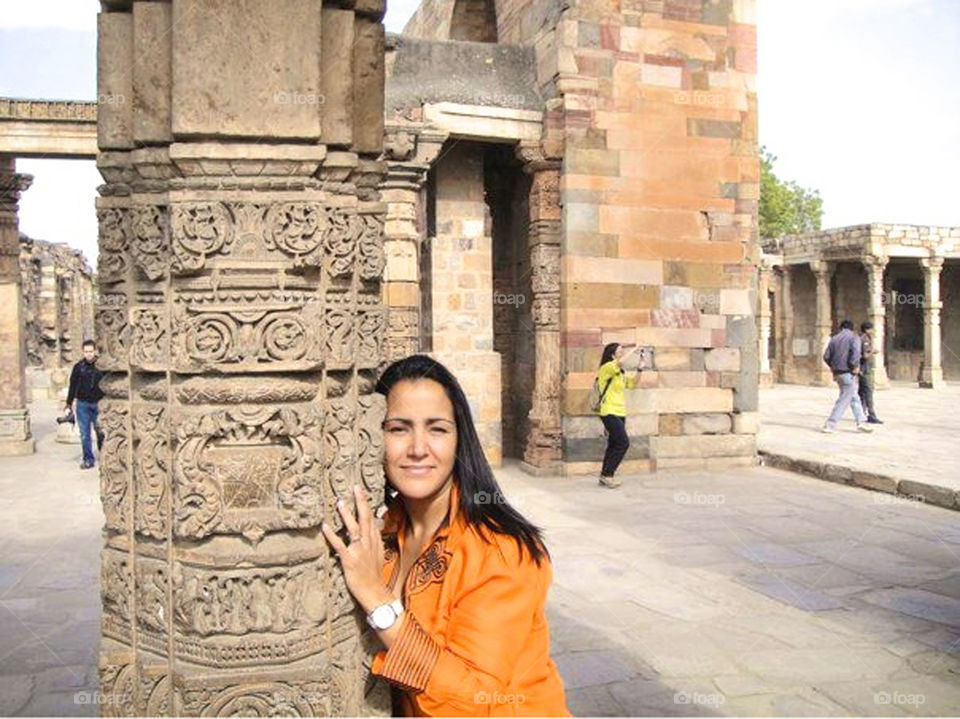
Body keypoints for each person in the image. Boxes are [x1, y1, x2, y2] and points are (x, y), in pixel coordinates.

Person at [321, 355, 569, 717]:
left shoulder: (500, 552)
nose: (418, 448)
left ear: (459, 439)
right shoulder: (385, 534)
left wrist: (377, 599)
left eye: (437, 429)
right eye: (398, 428)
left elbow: (471, 702)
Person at [595, 342, 644, 488]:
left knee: (614, 444)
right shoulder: (607, 368)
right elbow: (620, 362)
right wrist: (634, 349)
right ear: (612, 354)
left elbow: (632, 384)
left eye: (623, 351)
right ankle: (608, 474)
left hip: (620, 412)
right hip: (608, 411)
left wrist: (640, 368)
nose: (622, 353)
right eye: (620, 351)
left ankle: (605, 475)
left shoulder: (620, 373)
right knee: (623, 443)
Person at [821, 320, 873, 434]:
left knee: (854, 397)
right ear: (851, 328)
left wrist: (833, 366)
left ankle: (861, 422)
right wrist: (855, 366)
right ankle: (830, 424)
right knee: (844, 399)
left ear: (841, 328)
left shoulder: (834, 339)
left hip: (838, 373)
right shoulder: (854, 337)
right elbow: (855, 353)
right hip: (848, 372)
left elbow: (826, 356)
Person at [65, 339, 105, 469]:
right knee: (84, 434)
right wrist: (68, 404)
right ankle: (88, 459)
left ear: (95, 351)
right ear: (83, 352)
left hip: (98, 403)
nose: (88, 354)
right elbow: (72, 386)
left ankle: (104, 457)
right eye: (86, 351)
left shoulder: (102, 366)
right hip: (83, 404)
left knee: (100, 432)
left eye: (91, 351)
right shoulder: (78, 367)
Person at [858, 321, 883, 424]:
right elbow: (865, 355)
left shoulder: (862, 338)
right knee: (868, 391)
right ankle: (871, 414)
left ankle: (861, 413)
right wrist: (873, 351)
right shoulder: (865, 339)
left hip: (863, 369)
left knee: (862, 392)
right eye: (871, 329)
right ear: (867, 329)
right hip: (865, 369)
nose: (873, 331)